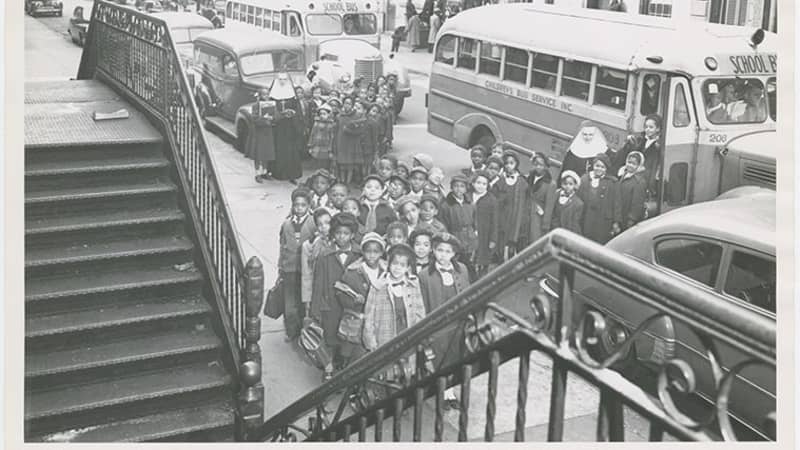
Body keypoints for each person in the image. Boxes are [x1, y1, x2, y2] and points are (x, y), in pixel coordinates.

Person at [418, 232, 470, 409]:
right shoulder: (425, 275)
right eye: (440, 250)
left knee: (455, 355)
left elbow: (468, 293)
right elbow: (423, 302)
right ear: (433, 250)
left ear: (454, 253)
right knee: (439, 357)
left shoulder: (461, 269)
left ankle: (451, 391)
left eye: (448, 251)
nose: (443, 255)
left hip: (457, 321)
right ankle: (443, 391)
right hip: (438, 325)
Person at [311, 212, 362, 378]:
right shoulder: (325, 255)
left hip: (351, 307)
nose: (341, 237)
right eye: (338, 233)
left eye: (346, 233)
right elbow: (317, 284)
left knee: (349, 339)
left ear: (353, 234)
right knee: (330, 337)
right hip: (330, 304)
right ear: (333, 233)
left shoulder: (359, 254)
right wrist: (315, 310)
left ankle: (344, 368)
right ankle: (329, 369)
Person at [336, 232, 387, 367]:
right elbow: (341, 292)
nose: (372, 255)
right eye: (368, 251)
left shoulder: (386, 271)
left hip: (378, 319)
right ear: (363, 252)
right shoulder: (353, 271)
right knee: (352, 351)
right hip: (356, 320)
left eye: (376, 251)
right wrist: (353, 301)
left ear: (381, 252)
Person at [363, 244, 426, 352]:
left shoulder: (413, 285)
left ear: (408, 268)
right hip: (384, 337)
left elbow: (420, 313)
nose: (397, 268)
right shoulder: (378, 286)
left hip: (408, 337)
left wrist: (419, 337)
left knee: (408, 366)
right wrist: (371, 342)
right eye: (395, 263)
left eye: (402, 265)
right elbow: (369, 317)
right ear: (388, 264)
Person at [278, 188, 317, 342]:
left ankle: (304, 329)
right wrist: (280, 265)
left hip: (306, 269)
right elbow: (282, 246)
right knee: (290, 302)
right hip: (289, 268)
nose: (299, 208)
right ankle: (291, 330)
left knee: (304, 300)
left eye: (303, 205)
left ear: (309, 205)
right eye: (296, 205)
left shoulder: (313, 223)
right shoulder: (287, 224)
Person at [609, 114, 662, 199]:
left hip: (645, 173)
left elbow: (653, 166)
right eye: (646, 127)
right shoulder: (641, 140)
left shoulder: (658, 146)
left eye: (651, 127)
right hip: (635, 169)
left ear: (658, 129)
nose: (647, 129)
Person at [270, 74, 305, 183]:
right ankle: (278, 173)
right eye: (280, 79)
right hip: (278, 127)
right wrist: (279, 115)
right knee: (279, 149)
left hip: (290, 127)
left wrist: (293, 114)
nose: (282, 81)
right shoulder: (272, 95)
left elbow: (297, 110)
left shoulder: (292, 95)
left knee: (291, 151)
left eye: (284, 79)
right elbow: (270, 108)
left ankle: (291, 175)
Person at [438, 174, 477, 270]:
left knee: (470, 264)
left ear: (466, 188)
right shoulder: (446, 205)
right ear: (451, 187)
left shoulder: (470, 204)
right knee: (457, 263)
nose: (458, 189)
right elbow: (443, 224)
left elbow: (475, 221)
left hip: (469, 238)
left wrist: (474, 233)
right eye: (456, 186)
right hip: (455, 237)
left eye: (462, 186)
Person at [495, 151, 528, 261]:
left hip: (515, 214)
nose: (509, 165)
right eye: (506, 163)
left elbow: (525, 199)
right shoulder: (499, 179)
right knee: (501, 238)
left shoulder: (521, 180)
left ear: (516, 164)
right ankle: (499, 259)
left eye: (511, 163)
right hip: (502, 214)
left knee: (513, 238)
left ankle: (511, 259)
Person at [578, 154, 619, 244]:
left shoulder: (612, 182)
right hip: (586, 216)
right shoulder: (585, 179)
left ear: (606, 169)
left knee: (599, 241)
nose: (599, 169)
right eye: (597, 166)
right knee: (585, 239)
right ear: (593, 166)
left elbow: (616, 203)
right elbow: (578, 198)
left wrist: (616, 221)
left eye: (602, 167)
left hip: (603, 219)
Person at [301, 208, 334, 312]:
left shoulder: (338, 243)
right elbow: (307, 274)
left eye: (327, 223)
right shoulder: (309, 246)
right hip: (319, 291)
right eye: (320, 224)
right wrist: (307, 299)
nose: (324, 227)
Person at [471, 171, 499, 278]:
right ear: (473, 183)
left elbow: (495, 221)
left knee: (483, 257)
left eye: (484, 184)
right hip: (470, 232)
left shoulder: (492, 200)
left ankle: (482, 277)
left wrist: (493, 239)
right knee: (470, 257)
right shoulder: (468, 196)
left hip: (485, 233)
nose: (481, 186)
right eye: (478, 183)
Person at [525, 152, 557, 245]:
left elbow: (549, 206)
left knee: (534, 241)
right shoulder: (529, 177)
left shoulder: (551, 184)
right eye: (536, 164)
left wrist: (545, 225)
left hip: (538, 217)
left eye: (541, 165)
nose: (538, 167)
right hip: (526, 213)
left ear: (546, 166)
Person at [247, 88, 276, 183]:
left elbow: (275, 116)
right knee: (258, 154)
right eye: (264, 95)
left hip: (268, 132)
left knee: (266, 153)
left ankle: (264, 172)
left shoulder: (272, 104)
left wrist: (273, 118)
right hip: (259, 133)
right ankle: (257, 173)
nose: (266, 96)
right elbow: (254, 119)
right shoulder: (256, 105)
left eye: (267, 94)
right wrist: (264, 119)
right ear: (259, 96)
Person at [334, 97, 365, 185]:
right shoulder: (339, 116)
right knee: (342, 165)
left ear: (352, 105)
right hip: (341, 143)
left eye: (349, 103)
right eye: (345, 103)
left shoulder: (357, 116)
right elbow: (336, 130)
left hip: (352, 143)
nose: (347, 105)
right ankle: (342, 181)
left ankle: (348, 182)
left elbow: (361, 131)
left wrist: (349, 130)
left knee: (350, 165)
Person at [616, 151, 648, 231]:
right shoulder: (623, 174)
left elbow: (637, 204)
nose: (630, 165)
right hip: (621, 213)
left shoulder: (639, 181)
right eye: (629, 162)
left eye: (634, 164)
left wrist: (631, 220)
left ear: (639, 166)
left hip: (628, 219)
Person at [551, 171, 584, 235]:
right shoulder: (556, 194)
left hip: (566, 232)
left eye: (570, 184)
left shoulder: (578, 203)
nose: (567, 186)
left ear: (575, 186)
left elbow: (575, 224)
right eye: (565, 184)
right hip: (553, 229)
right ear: (561, 184)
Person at [308, 105, 337, 171]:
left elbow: (332, 138)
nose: (322, 115)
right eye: (320, 114)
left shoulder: (331, 124)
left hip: (325, 147)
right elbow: (312, 134)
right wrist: (310, 145)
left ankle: (325, 178)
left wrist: (330, 150)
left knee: (324, 164)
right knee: (317, 164)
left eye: (324, 114)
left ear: (329, 115)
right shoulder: (316, 123)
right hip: (316, 146)